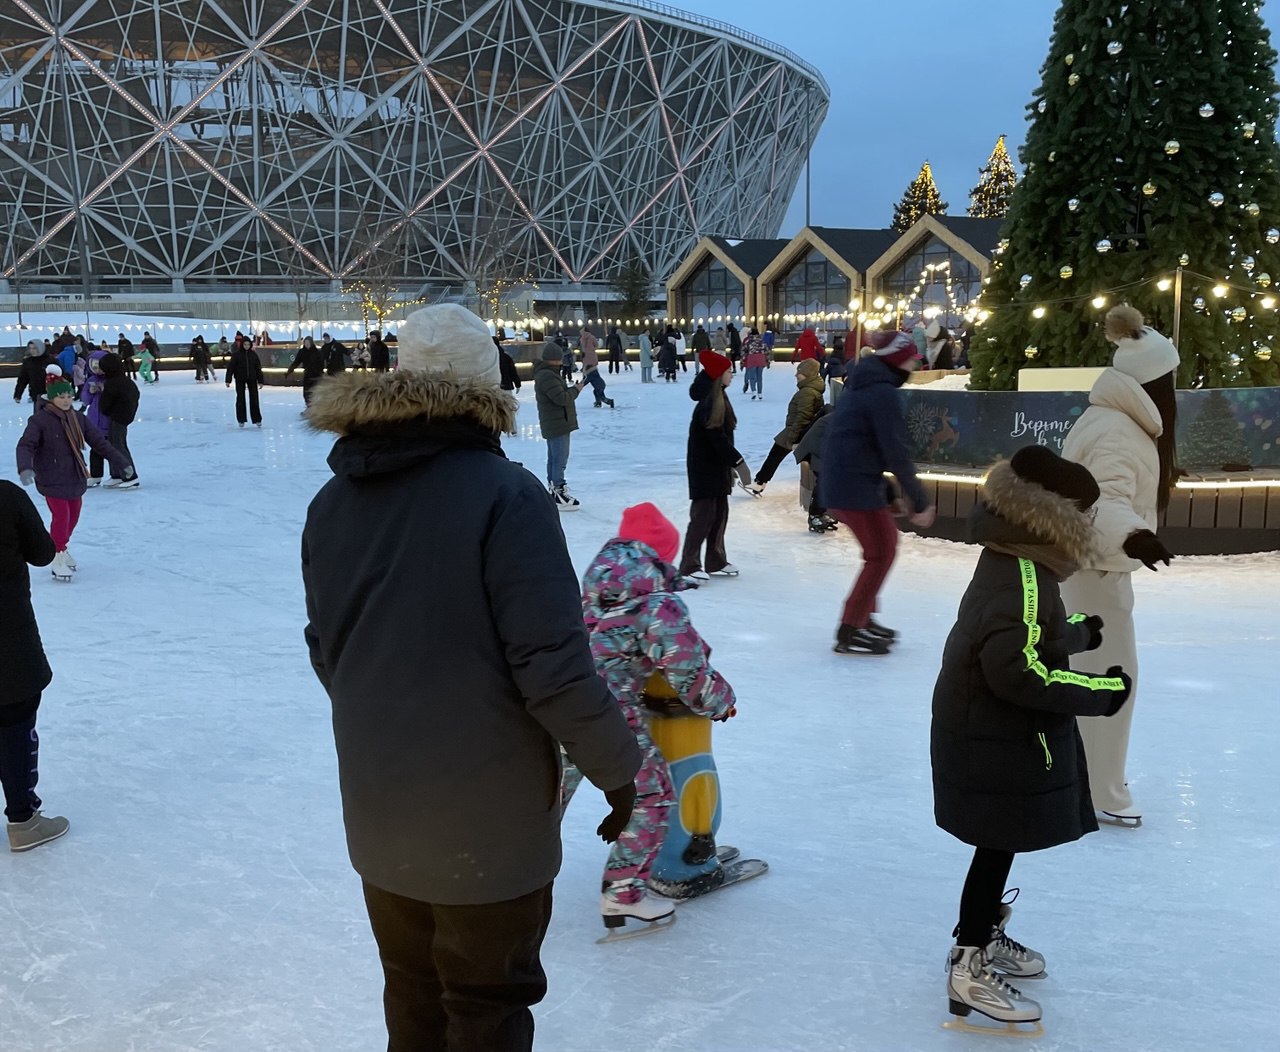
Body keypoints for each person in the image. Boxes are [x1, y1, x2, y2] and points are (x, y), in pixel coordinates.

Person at [302, 302, 640, 1052]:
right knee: (486, 1006)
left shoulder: (332, 503)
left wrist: (392, 722)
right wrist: (622, 772)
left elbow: (329, 650)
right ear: (488, 388)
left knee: (414, 997)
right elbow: (553, 668)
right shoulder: (507, 496)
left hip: (383, 812)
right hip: (489, 828)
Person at [931, 446, 1131, 1035]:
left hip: (989, 729)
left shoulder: (1017, 560)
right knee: (997, 842)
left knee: (999, 842)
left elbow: (1026, 634)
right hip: (990, 732)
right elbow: (1020, 672)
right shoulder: (1021, 576)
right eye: (1085, 514)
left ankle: (981, 935)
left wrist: (1076, 633)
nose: (1090, 525)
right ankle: (968, 965)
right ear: (1056, 517)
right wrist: (1100, 691)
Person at [561, 502, 737, 935]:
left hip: (558, 703)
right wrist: (722, 701)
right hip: (607, 713)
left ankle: (507, 878)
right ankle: (623, 895)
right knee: (652, 796)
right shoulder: (659, 605)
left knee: (546, 796)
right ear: (661, 555)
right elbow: (690, 674)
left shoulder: (594, 589)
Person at [1060, 304, 1179, 827]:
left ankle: (1085, 779)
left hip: (1090, 569)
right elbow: (1101, 499)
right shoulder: (1117, 430)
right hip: (1096, 573)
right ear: (1155, 382)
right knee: (1109, 680)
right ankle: (1100, 789)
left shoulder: (1118, 420)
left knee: (1091, 677)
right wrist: (1135, 536)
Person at [820, 330, 936, 655]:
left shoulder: (865, 386)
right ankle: (851, 628)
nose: (915, 364)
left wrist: (888, 491)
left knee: (881, 549)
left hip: (850, 483)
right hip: (852, 487)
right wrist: (919, 499)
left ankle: (863, 619)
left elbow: (862, 445)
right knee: (881, 552)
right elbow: (894, 450)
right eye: (912, 358)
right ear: (897, 359)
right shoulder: (881, 392)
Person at [0, 477, 67, 851]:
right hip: (7, 640)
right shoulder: (5, 497)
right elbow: (43, 552)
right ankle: (24, 820)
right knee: (13, 720)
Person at [16, 377, 132, 581]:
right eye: (61, 396)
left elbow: (99, 442)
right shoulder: (40, 420)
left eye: (69, 396)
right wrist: (25, 468)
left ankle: (60, 548)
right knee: (62, 517)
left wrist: (121, 462)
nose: (66, 400)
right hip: (51, 477)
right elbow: (26, 445)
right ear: (52, 398)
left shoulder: (77, 418)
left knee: (74, 516)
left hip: (74, 475)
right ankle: (57, 555)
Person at [677, 350, 754, 584]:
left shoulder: (719, 396)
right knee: (703, 517)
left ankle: (715, 560)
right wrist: (738, 463)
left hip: (717, 468)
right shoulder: (709, 402)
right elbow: (716, 439)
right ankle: (689, 565)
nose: (732, 375)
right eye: (729, 371)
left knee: (720, 515)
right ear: (718, 375)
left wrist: (729, 466)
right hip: (704, 469)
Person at [749, 358, 825, 493]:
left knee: (774, 456)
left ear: (807, 374)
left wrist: (792, 436)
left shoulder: (807, 392)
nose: (796, 375)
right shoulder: (810, 389)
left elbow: (803, 416)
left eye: (799, 372)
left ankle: (759, 482)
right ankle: (760, 482)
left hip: (796, 431)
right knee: (780, 456)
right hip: (800, 431)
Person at [534, 342, 586, 510]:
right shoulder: (548, 376)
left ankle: (554, 489)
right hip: (557, 423)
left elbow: (558, 394)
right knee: (559, 459)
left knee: (555, 458)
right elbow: (561, 398)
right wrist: (576, 390)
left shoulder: (548, 374)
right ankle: (558, 491)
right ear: (555, 359)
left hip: (556, 422)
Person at [97, 353, 141, 489]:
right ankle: (116, 475)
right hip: (124, 416)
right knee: (113, 445)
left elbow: (104, 406)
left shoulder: (111, 384)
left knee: (118, 446)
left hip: (117, 418)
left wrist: (103, 393)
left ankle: (130, 476)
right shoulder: (127, 381)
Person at [225, 334, 264, 427]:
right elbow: (231, 367)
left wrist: (261, 380)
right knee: (240, 398)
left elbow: (258, 368)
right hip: (240, 379)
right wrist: (228, 380)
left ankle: (257, 419)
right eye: (245, 344)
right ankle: (241, 419)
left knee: (254, 399)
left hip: (252, 379)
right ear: (242, 345)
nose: (246, 346)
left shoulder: (253, 355)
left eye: (248, 344)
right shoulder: (236, 355)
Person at [286, 336, 325, 408]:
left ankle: (315, 408)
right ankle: (309, 407)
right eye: (305, 343)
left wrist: (321, 373)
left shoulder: (317, 352)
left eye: (308, 343)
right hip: (307, 375)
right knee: (306, 393)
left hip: (316, 375)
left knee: (315, 393)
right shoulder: (302, 352)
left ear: (311, 343)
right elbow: (296, 362)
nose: (307, 344)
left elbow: (321, 364)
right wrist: (289, 371)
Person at [578, 328, 614, 408]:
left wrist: (578, 386)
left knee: (598, 393)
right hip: (593, 361)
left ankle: (608, 401)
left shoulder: (581, 339)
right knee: (597, 391)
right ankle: (598, 402)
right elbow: (597, 345)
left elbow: (585, 380)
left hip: (586, 360)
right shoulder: (592, 337)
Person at [13, 340, 55, 404]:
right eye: (30, 348)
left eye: (34, 348)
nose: (32, 350)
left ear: (40, 348)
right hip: (35, 395)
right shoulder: (28, 362)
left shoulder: (51, 360)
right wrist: (18, 394)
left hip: (51, 395)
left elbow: (60, 377)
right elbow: (23, 379)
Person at [741, 329, 768, 398]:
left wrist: (742, 362)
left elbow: (744, 352)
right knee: (759, 377)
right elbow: (766, 351)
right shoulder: (762, 341)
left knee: (752, 377)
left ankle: (753, 392)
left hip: (752, 358)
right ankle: (760, 394)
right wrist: (767, 361)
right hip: (761, 358)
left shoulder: (748, 341)